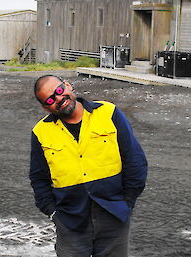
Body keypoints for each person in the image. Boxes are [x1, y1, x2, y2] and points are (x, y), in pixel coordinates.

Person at [29, 74, 147, 257]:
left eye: (59, 91)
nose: (59, 99)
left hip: (113, 215)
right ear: (46, 107)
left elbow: (134, 160)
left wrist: (127, 201)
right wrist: (53, 213)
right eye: (51, 99)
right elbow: (38, 178)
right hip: (70, 222)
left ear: (68, 86)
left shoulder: (108, 113)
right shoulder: (41, 132)